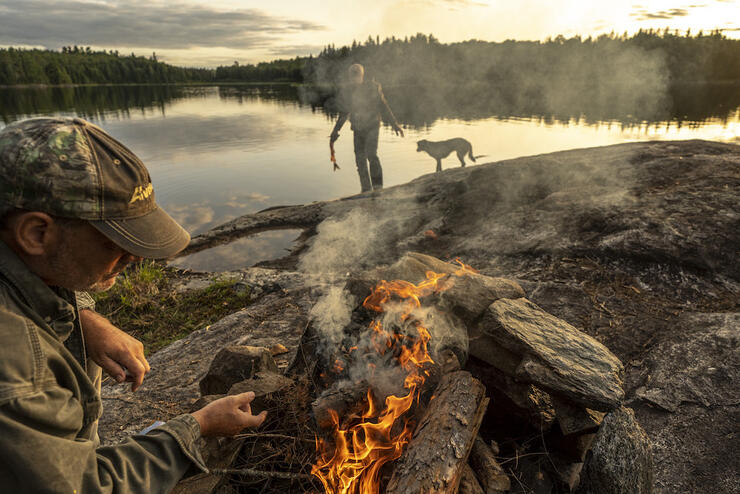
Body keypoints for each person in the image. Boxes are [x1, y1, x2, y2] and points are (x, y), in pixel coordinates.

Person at [0, 117, 266, 493]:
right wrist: (197, 427)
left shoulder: (23, 261)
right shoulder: (15, 364)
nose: (135, 257)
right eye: (114, 241)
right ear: (36, 232)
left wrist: (84, 319)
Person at [330, 63, 404, 193]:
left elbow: (383, 106)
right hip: (358, 128)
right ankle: (366, 189)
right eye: (352, 76)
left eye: (357, 75)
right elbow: (344, 113)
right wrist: (335, 131)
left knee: (371, 154)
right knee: (360, 159)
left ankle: (378, 188)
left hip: (372, 126)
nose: (354, 78)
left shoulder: (373, 88)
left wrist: (394, 124)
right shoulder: (348, 92)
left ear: (362, 75)